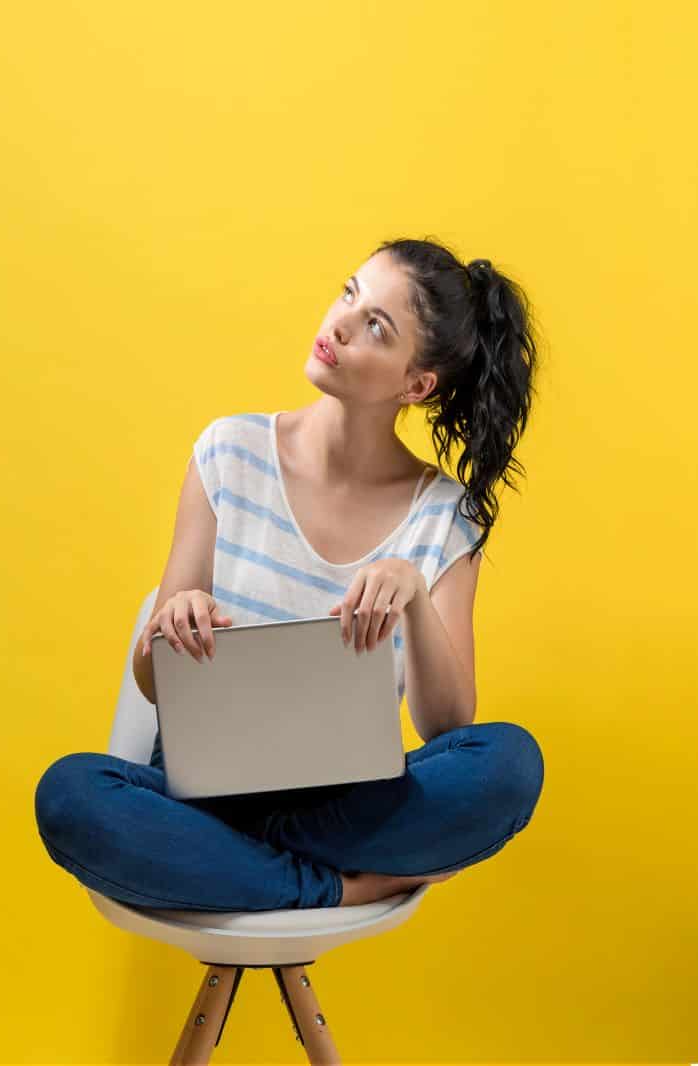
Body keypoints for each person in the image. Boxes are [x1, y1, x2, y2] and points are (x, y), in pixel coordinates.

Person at [34, 237, 546, 910]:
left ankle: (255, 870)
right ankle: (331, 887)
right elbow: (153, 681)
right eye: (349, 293)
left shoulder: (445, 518)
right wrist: (169, 626)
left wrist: (416, 600)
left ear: (416, 385)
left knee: (511, 762)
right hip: (200, 800)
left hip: (345, 808)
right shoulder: (228, 452)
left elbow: (449, 726)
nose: (339, 322)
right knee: (70, 795)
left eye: (375, 327)